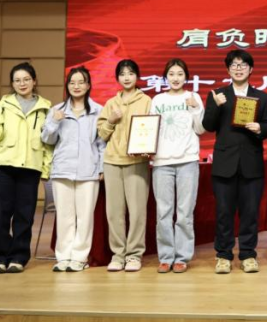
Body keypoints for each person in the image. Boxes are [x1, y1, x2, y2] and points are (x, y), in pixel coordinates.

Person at [0, 62, 54, 274]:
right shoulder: (3, 105)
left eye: (26, 79)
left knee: (25, 215)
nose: (22, 84)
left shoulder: (46, 108)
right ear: (12, 84)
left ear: (34, 81)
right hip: (3, 165)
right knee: (1, 214)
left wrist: (46, 169)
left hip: (30, 167)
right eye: (17, 80)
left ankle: (18, 257)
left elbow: (48, 144)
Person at [203, 49, 267, 274]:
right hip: (225, 164)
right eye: (234, 65)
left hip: (251, 163)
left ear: (251, 69)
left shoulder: (262, 97)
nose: (238, 68)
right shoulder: (217, 94)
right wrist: (216, 106)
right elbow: (208, 125)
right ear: (228, 69)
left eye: (243, 65)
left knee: (250, 213)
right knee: (224, 212)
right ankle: (223, 255)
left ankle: (248, 255)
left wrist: (260, 128)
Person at [41, 66, 105, 272]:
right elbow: (47, 139)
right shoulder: (57, 110)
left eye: (81, 82)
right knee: (64, 216)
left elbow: (102, 143)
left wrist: (101, 167)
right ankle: (63, 256)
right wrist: (54, 121)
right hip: (62, 169)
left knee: (85, 217)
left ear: (88, 85)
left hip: (88, 170)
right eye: (72, 82)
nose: (76, 86)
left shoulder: (98, 111)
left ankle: (79, 257)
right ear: (67, 85)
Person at [96, 59, 153, 272]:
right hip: (112, 161)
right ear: (117, 78)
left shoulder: (147, 101)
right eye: (122, 74)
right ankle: (118, 255)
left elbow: (153, 129)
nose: (126, 77)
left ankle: (134, 255)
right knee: (114, 212)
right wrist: (111, 120)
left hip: (137, 161)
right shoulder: (111, 103)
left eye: (130, 73)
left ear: (137, 76)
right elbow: (102, 134)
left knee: (137, 212)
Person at [149, 58, 205, 274]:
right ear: (165, 77)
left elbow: (200, 129)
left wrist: (195, 109)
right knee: (163, 212)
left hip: (188, 160)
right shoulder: (158, 99)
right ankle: (165, 257)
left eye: (180, 74)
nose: (175, 78)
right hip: (162, 162)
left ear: (186, 77)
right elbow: (150, 128)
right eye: (171, 74)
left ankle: (182, 257)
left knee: (184, 213)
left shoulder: (193, 97)